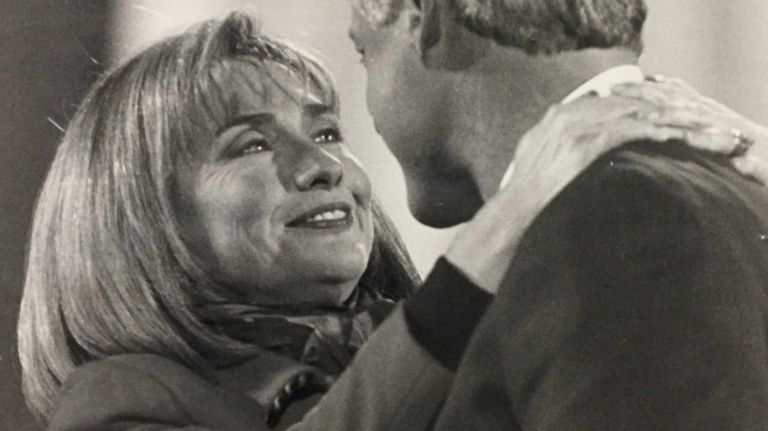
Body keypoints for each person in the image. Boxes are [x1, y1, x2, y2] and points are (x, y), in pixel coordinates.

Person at [17, 9, 765, 431]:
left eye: (328, 131)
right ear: (143, 219)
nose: (320, 166)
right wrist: (504, 219)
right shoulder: (115, 402)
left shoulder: (472, 321)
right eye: (251, 144)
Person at [348, 0, 768, 429]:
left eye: (365, 54)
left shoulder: (612, 223)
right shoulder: (729, 186)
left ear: (428, 21)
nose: (368, 105)